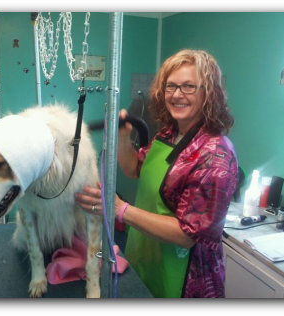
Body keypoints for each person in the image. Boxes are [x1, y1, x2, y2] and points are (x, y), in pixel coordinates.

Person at [75, 49, 238, 298]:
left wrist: (119, 209)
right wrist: (122, 137)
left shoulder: (215, 157)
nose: (176, 95)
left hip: (184, 276)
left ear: (208, 92)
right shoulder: (169, 133)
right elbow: (134, 169)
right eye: (170, 86)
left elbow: (187, 235)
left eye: (188, 87)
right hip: (148, 255)